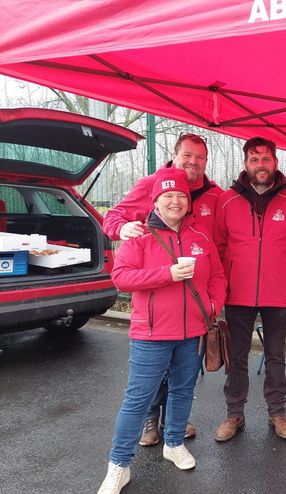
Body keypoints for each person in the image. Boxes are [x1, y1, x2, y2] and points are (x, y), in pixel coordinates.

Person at [96, 167, 226, 494]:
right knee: (139, 399)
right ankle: (118, 465)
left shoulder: (200, 236)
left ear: (188, 201)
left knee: (183, 391)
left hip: (192, 332)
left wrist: (213, 304)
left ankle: (173, 443)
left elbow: (218, 275)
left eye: (181, 195)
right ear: (155, 200)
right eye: (168, 195)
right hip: (151, 333)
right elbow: (121, 278)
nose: (176, 201)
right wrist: (166, 274)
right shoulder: (138, 235)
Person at [103, 132, 223, 446]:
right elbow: (112, 217)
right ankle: (149, 422)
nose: (193, 162)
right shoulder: (151, 185)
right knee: (153, 372)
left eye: (200, 157)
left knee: (183, 375)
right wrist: (122, 228)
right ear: (175, 154)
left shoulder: (213, 194)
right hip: (158, 301)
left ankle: (174, 424)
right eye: (188, 155)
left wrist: (212, 302)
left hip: (194, 304)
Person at [213, 137, 286, 441]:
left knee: (276, 355)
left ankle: (277, 413)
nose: (260, 165)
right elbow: (218, 246)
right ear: (246, 164)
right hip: (237, 293)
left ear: (276, 163)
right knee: (237, 356)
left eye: (266, 159)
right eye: (254, 160)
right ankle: (234, 415)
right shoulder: (226, 201)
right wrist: (219, 291)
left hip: (279, 294)